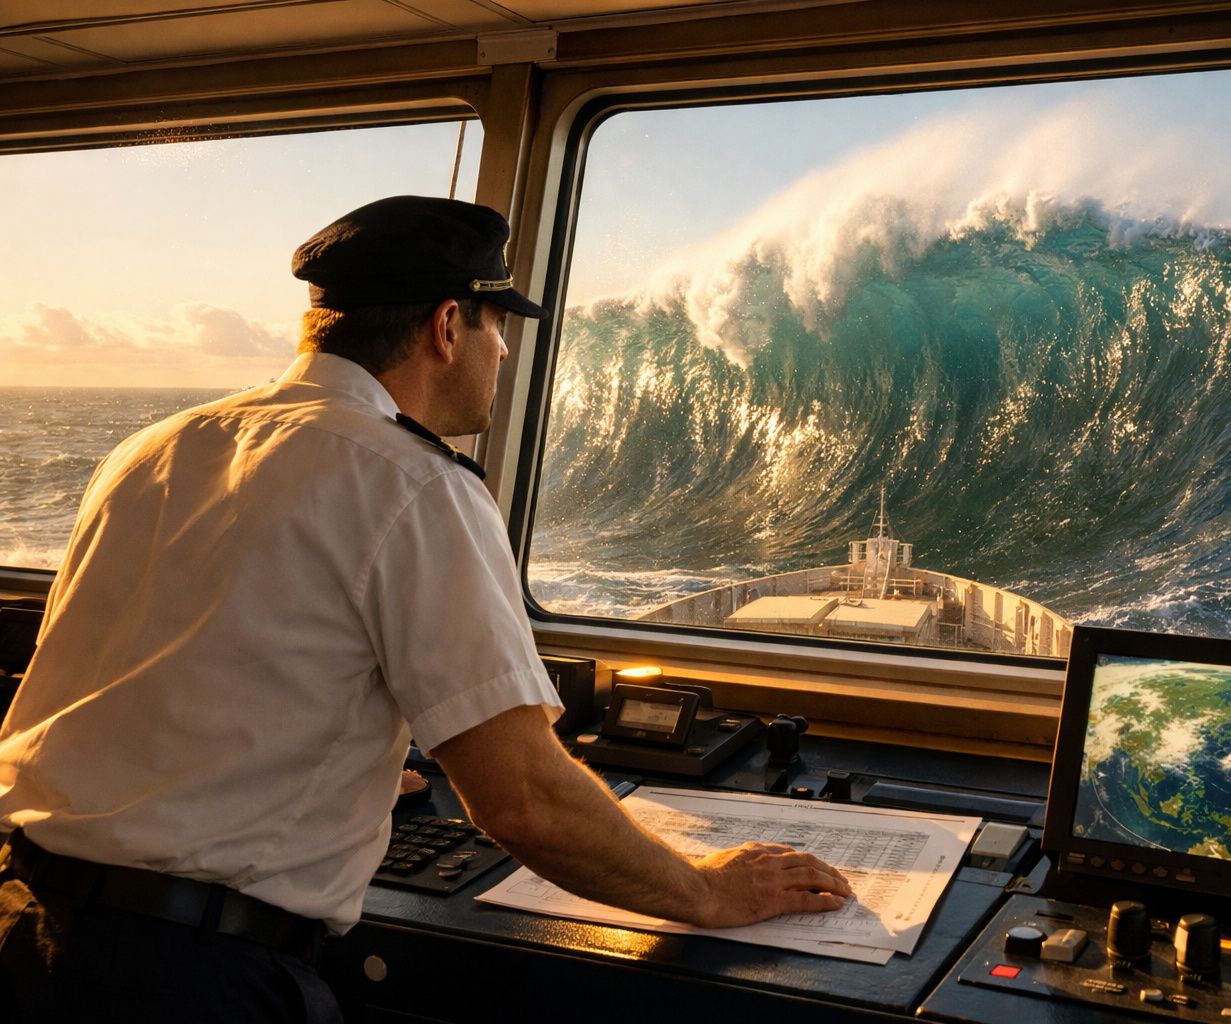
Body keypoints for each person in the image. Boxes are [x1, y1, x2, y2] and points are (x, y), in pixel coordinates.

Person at [0, 196, 852, 1021]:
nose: (505, 353)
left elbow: (162, 673)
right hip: (186, 978)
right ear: (449, 326)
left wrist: (346, 776)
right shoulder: (411, 481)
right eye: (498, 326)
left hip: (25, 919)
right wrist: (706, 889)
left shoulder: (154, 447)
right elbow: (522, 800)